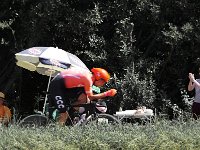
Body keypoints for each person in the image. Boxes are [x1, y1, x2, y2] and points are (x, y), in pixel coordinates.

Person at [48, 67, 117, 125]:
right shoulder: (88, 79)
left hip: (64, 85)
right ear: (100, 79)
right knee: (63, 114)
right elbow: (91, 96)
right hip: (57, 85)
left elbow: (88, 97)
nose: (103, 85)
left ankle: (70, 114)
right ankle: (56, 131)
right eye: (104, 82)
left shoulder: (89, 77)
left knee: (84, 98)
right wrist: (107, 93)